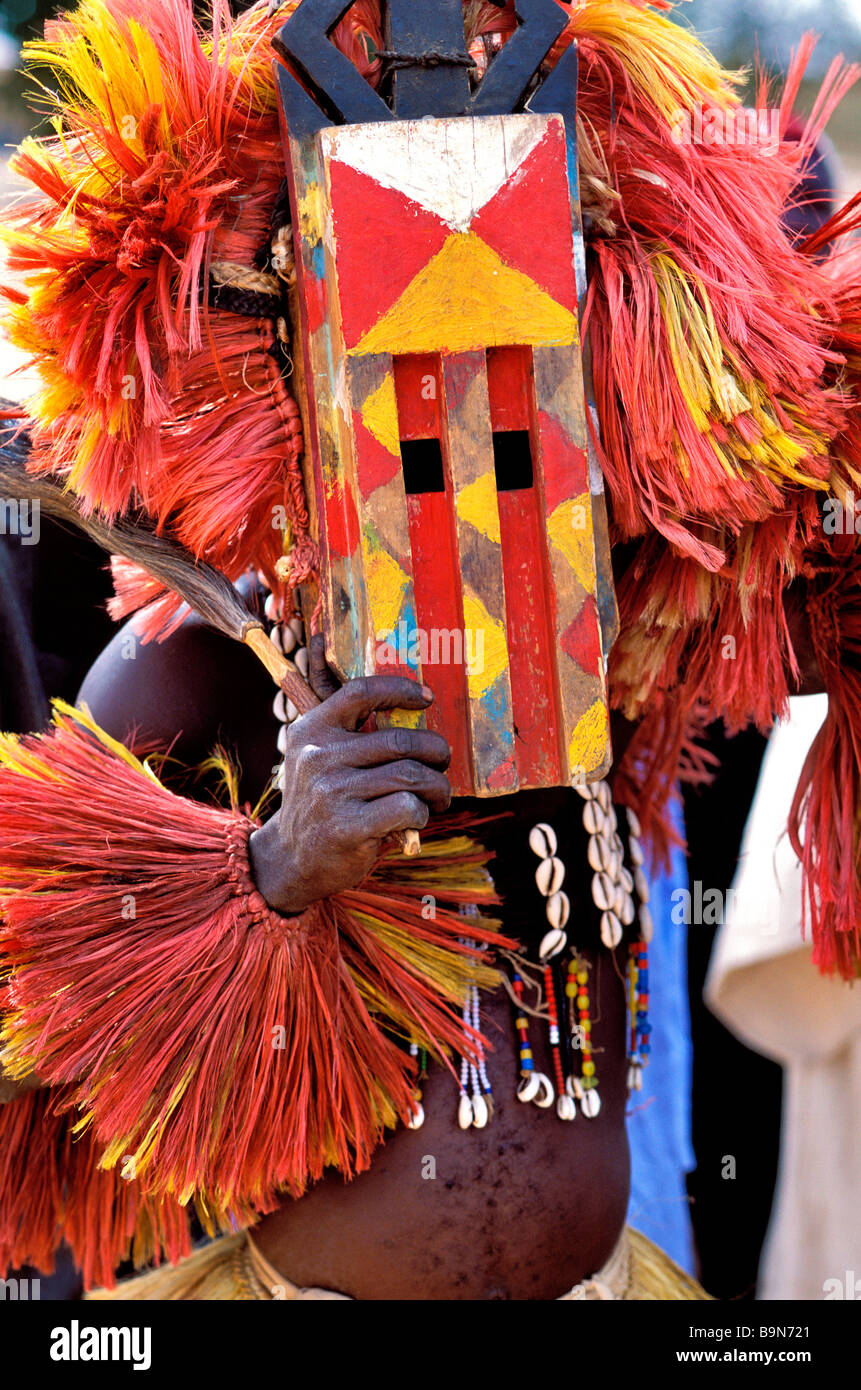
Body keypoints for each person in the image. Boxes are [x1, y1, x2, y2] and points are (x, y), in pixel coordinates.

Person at [0, 0, 858, 1302]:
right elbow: (39, 1042)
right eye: (404, 384)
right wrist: (273, 866)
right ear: (288, 371)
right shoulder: (193, 671)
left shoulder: (631, 636)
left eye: (523, 375)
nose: (467, 426)